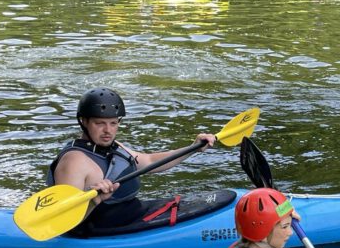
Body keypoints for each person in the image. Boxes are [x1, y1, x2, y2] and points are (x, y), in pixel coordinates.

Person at [47, 87, 217, 231]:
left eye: (113, 123)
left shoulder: (111, 146)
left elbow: (150, 161)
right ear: (84, 122)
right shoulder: (73, 163)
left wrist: (192, 148)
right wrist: (94, 200)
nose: (108, 130)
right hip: (105, 232)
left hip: (135, 214)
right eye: (100, 123)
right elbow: (64, 223)